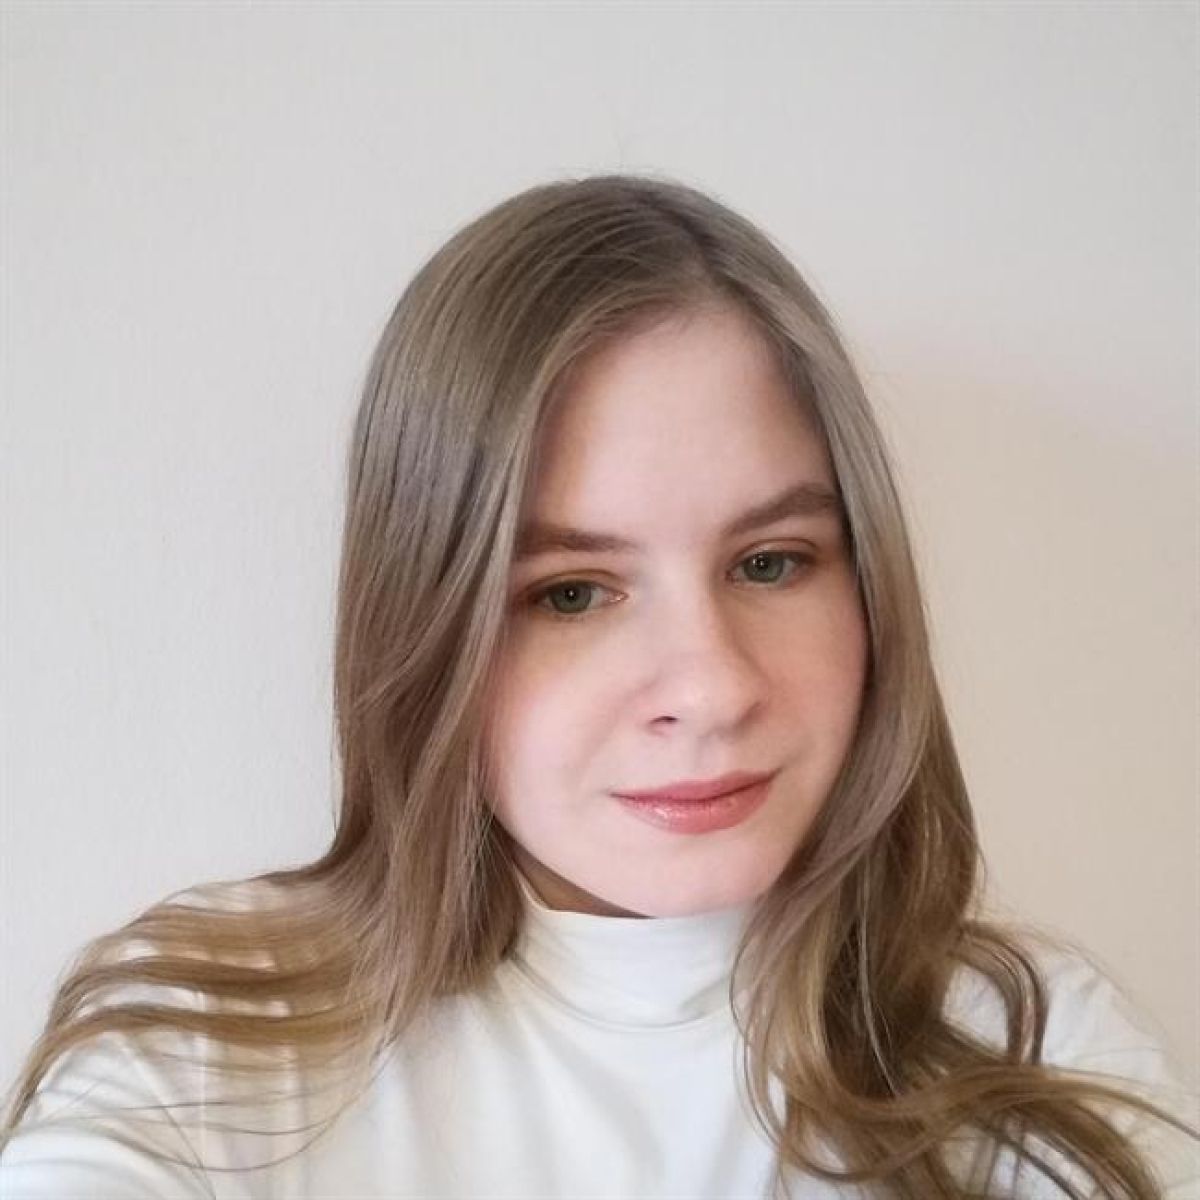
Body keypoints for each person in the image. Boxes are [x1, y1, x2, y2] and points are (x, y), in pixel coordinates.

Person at [0, 173, 1196, 1199]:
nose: (712, 690)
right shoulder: (199, 1057)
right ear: (425, 622)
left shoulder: (1031, 1049)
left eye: (770, 563)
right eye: (572, 592)